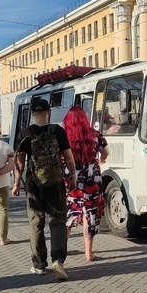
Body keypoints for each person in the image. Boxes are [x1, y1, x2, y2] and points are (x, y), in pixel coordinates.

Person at [13, 98, 77, 280]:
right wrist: (72, 178)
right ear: (49, 112)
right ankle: (58, 260)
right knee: (57, 222)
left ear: (33, 113)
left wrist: (17, 184)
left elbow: (19, 163)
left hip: (34, 186)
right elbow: (69, 159)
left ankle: (39, 264)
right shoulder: (58, 131)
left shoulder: (25, 133)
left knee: (36, 224)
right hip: (56, 184)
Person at [62, 106, 109, 262]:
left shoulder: (64, 137)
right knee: (90, 214)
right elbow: (105, 152)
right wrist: (100, 160)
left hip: (72, 182)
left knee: (70, 214)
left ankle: (61, 251)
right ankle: (88, 253)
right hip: (91, 181)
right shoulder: (95, 135)